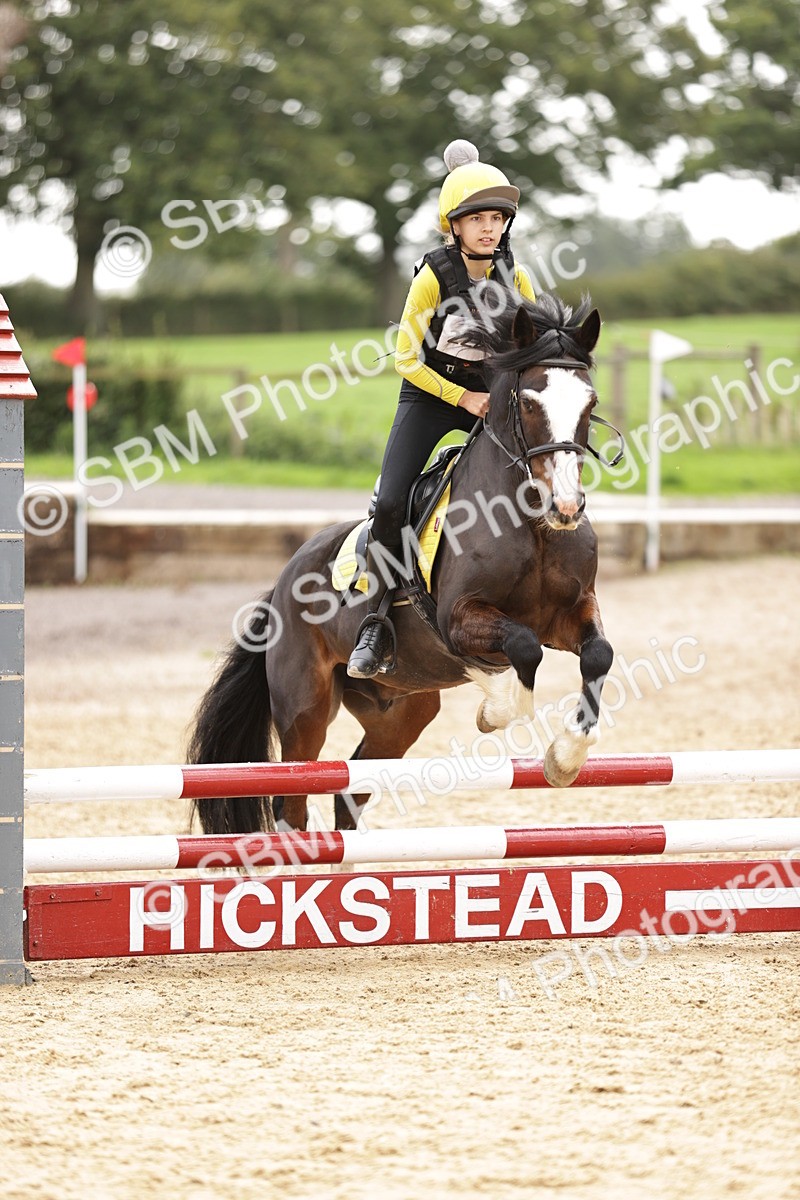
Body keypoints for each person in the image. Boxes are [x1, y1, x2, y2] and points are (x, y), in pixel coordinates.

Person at [347, 139, 536, 679]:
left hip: (489, 400)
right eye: (476, 218)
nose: (489, 228)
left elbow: (533, 346)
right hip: (431, 396)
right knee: (389, 502)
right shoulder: (433, 277)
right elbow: (405, 357)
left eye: (497, 218)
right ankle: (377, 621)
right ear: (453, 226)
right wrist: (463, 397)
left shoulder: (516, 279)